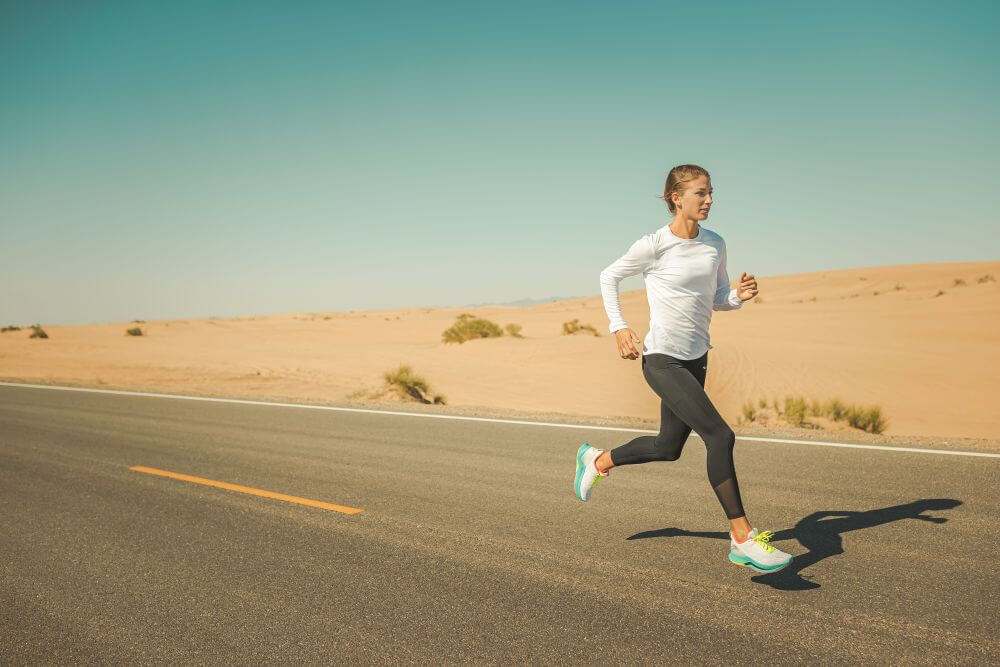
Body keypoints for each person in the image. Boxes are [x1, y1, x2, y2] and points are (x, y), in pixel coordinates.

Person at [573, 163, 793, 574]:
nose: (709, 200)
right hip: (662, 358)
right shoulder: (654, 245)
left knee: (668, 448)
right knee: (720, 435)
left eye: (711, 193)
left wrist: (739, 296)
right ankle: (743, 537)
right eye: (700, 194)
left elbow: (716, 298)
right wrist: (619, 326)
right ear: (677, 198)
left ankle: (598, 461)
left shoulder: (715, 244)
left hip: (696, 357)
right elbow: (609, 276)